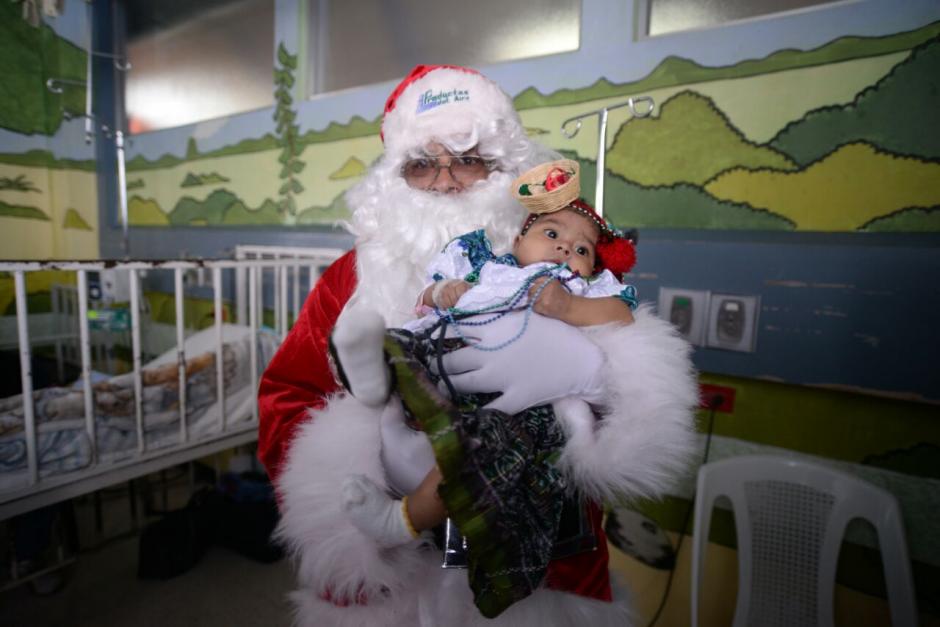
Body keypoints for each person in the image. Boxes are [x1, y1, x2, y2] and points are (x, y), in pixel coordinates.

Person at [258, 64, 698, 627]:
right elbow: (288, 398)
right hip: (396, 580)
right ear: (393, 178)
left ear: (508, 170)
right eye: (421, 164)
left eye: (468, 159)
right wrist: (371, 459)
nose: (445, 183)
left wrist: (591, 373)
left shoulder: (565, 260)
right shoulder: (348, 278)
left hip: (540, 562)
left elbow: (645, 392)